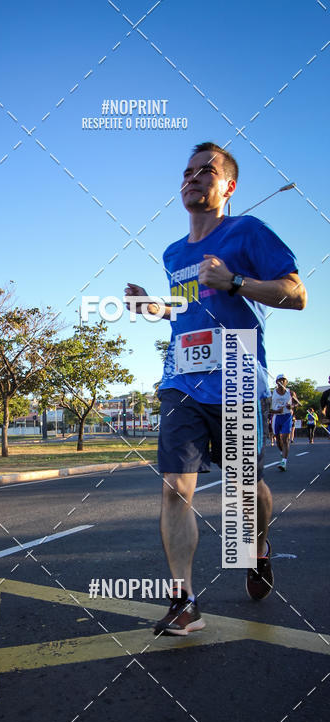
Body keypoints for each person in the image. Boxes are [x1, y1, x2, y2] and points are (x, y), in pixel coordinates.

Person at [124, 142, 307, 636]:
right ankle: (184, 602)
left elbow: (297, 293)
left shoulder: (248, 231)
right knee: (174, 489)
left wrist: (235, 281)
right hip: (182, 381)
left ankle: (257, 549)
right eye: (187, 172)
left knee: (245, 492)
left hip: (239, 377)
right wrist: (155, 308)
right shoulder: (173, 252)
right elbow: (187, 307)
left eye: (206, 171)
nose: (193, 178)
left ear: (229, 186)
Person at [271, 375, 294, 470]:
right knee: (278, 439)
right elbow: (266, 408)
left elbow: (297, 403)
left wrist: (292, 406)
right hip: (276, 417)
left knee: (285, 439)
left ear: (286, 382)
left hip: (287, 417)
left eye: (283, 380)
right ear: (276, 382)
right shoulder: (272, 393)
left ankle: (284, 462)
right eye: (280, 380)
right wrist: (276, 411)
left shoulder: (290, 393)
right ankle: (282, 452)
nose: (281, 382)